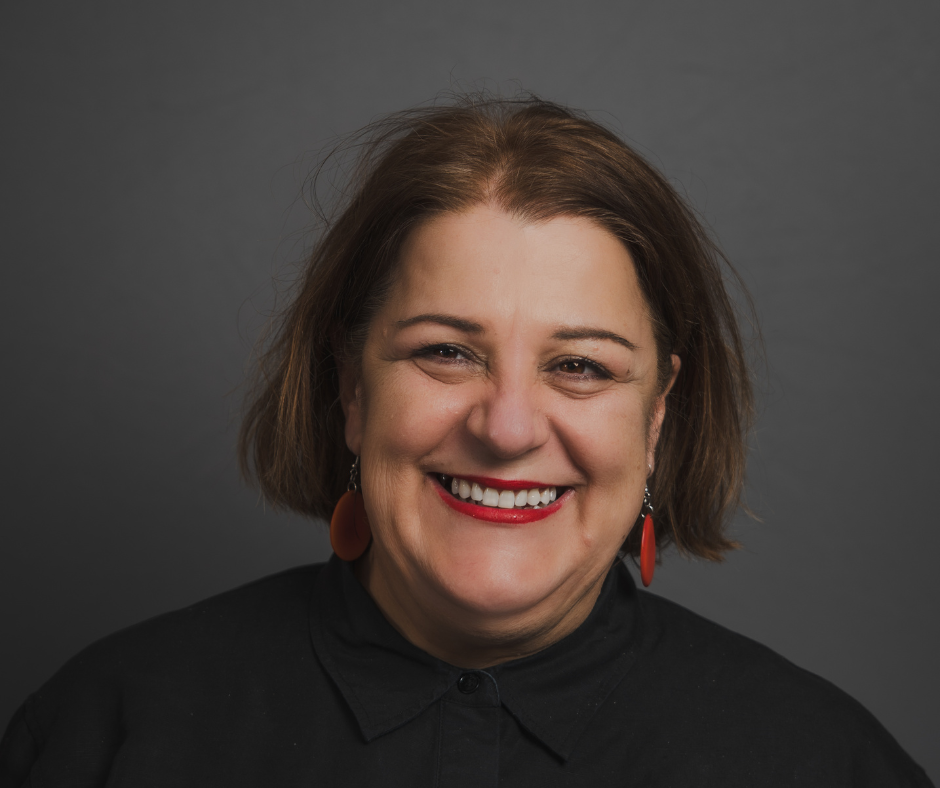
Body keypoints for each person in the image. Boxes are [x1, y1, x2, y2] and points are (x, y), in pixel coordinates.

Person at [0, 95, 932, 787]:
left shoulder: (823, 761)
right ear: (351, 389)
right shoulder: (107, 730)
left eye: (581, 366)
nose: (508, 427)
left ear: (656, 419)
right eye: (446, 353)